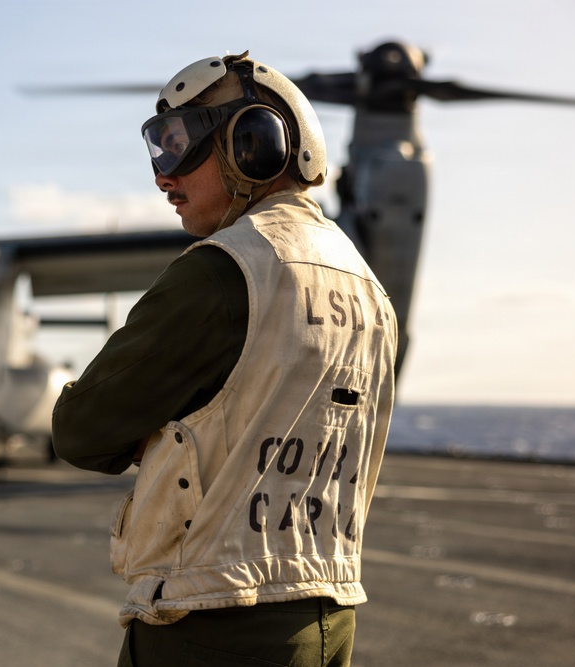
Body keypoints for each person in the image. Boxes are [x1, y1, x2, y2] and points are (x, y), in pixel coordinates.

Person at [52, 52, 397, 667]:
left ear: (252, 144)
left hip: (211, 622)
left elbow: (81, 432)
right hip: (329, 614)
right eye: (159, 149)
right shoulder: (369, 290)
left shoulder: (224, 270)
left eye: (181, 145)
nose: (164, 176)